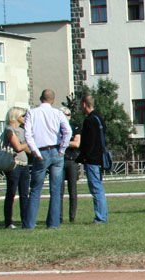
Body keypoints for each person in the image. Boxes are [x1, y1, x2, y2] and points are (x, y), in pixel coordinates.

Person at [23, 89, 72, 229]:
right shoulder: (57, 113)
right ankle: (53, 224)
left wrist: (35, 151)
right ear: (53, 100)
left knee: (35, 189)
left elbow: (28, 134)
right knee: (56, 189)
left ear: (40, 98)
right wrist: (62, 149)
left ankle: (30, 224)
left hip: (41, 151)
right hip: (56, 151)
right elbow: (68, 131)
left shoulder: (32, 112)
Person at [74, 94, 109, 224]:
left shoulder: (89, 120)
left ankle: (100, 218)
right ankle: (102, 215)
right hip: (100, 158)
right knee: (99, 187)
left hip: (92, 160)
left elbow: (88, 143)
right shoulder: (99, 118)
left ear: (84, 104)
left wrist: (82, 157)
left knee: (96, 188)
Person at [0, 107, 31, 229]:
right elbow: (18, 147)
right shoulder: (9, 130)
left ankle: (25, 221)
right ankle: (8, 222)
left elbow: (26, 149)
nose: (25, 118)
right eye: (23, 116)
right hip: (14, 164)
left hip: (24, 164)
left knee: (24, 194)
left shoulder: (22, 130)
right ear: (16, 116)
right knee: (11, 193)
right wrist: (29, 142)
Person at [61, 106, 80, 223]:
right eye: (63, 115)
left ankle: (72, 217)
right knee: (59, 190)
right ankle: (59, 217)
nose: (66, 117)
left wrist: (62, 142)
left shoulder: (75, 127)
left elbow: (77, 143)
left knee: (72, 190)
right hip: (60, 161)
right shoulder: (56, 128)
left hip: (72, 160)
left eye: (67, 115)